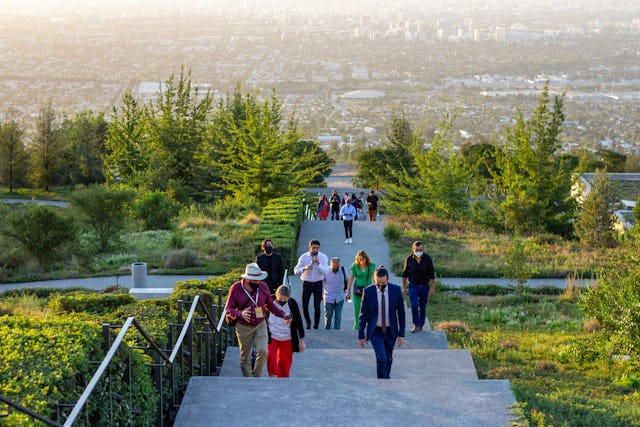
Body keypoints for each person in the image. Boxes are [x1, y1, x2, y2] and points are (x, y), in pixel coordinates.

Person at [225, 263, 291, 377]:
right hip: (243, 326)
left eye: (259, 279)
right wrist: (240, 314)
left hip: (260, 324)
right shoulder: (236, 288)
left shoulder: (263, 286)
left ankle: (256, 378)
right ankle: (248, 379)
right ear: (246, 279)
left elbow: (270, 305)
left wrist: (283, 314)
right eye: (255, 280)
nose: (258, 282)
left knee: (263, 351)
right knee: (244, 357)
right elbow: (228, 309)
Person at [358, 267, 405, 379]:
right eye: (378, 283)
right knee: (381, 358)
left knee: (388, 358)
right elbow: (363, 314)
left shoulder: (396, 290)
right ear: (374, 280)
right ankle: (382, 381)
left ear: (388, 279)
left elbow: (401, 314)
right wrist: (361, 335)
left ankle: (386, 379)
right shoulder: (368, 291)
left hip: (391, 331)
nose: (381, 285)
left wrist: (401, 334)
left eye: (383, 283)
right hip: (376, 331)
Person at [267, 285, 305, 378]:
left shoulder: (292, 303)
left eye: (285, 300)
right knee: (271, 356)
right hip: (272, 335)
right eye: (280, 299)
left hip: (287, 337)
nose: (282, 302)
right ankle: (272, 376)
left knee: (285, 362)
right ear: (276, 295)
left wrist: (301, 339)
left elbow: (299, 321)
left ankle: (283, 379)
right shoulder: (269, 301)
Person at [401, 241, 435, 333]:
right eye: (416, 250)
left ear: (423, 249)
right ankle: (416, 325)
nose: (418, 252)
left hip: (424, 286)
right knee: (414, 305)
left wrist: (432, 288)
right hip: (413, 286)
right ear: (413, 250)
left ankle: (421, 324)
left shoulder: (427, 259)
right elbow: (404, 274)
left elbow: (432, 274)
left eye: (420, 250)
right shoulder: (409, 259)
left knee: (422, 306)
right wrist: (403, 287)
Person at [293, 239, 328, 329]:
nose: (315, 250)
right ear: (310, 247)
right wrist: (305, 268)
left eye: (317, 248)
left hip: (318, 283)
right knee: (304, 306)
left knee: (317, 306)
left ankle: (316, 325)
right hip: (306, 283)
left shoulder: (323, 257)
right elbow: (295, 270)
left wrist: (318, 264)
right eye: (313, 248)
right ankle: (308, 321)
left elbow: (326, 272)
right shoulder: (304, 257)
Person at [346, 250, 376, 330]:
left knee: (369, 310)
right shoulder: (355, 266)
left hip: (368, 291)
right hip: (358, 292)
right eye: (359, 259)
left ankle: (369, 327)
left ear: (366, 258)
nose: (361, 261)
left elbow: (375, 279)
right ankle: (357, 328)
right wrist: (348, 291)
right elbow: (351, 279)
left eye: (362, 259)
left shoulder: (371, 266)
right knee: (357, 310)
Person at [320, 257, 348, 329]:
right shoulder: (326, 270)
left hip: (339, 297)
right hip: (328, 297)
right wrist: (320, 294)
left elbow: (347, 280)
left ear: (339, 265)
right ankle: (328, 330)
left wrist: (347, 291)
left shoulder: (343, 270)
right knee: (328, 316)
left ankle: (337, 332)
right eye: (334, 266)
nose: (335, 268)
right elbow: (320, 283)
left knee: (338, 317)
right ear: (330, 265)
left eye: (337, 266)